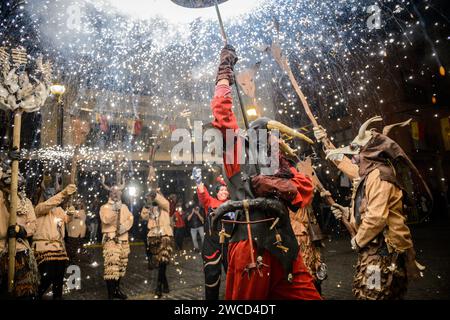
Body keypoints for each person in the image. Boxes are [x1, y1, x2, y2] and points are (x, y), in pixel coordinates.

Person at [209, 45, 321, 300]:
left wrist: (277, 183)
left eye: (272, 137)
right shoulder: (233, 150)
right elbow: (221, 110)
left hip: (285, 245)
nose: (271, 140)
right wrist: (225, 72)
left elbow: (305, 190)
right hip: (251, 246)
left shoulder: (275, 161)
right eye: (266, 136)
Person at [313, 117, 428, 299]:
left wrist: (357, 240)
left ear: (368, 153)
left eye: (357, 153)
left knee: (373, 294)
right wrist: (348, 212)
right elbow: (347, 167)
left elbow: (376, 217)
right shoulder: (369, 173)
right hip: (374, 251)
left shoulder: (380, 176)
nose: (354, 158)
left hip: (383, 252)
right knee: (373, 293)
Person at [0, 155, 39, 299]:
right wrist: (7, 162)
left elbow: (33, 224)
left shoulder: (26, 202)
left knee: (24, 291)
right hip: (1, 251)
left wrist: (22, 230)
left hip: (21, 252)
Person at [192, 168, 231, 300]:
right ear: (216, 192)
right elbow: (203, 195)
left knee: (233, 277)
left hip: (229, 246)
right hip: (211, 246)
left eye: (226, 190)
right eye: (221, 190)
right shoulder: (210, 202)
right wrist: (199, 182)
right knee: (211, 278)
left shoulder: (233, 204)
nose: (224, 192)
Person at [33, 183, 77, 300]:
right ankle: (35, 295)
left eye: (53, 193)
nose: (51, 196)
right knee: (47, 277)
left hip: (59, 249)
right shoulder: (38, 208)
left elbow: (66, 220)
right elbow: (50, 203)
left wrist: (70, 213)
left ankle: (57, 297)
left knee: (58, 280)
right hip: (44, 248)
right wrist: (63, 193)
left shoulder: (58, 210)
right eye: (49, 193)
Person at [100, 185, 134, 300]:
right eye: (113, 192)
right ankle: (110, 295)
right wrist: (115, 208)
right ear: (109, 194)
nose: (115, 194)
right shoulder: (104, 207)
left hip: (123, 240)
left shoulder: (124, 206)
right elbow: (106, 219)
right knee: (111, 268)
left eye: (117, 192)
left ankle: (116, 290)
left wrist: (124, 227)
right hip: (111, 240)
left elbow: (130, 218)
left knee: (120, 268)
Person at [140, 189, 173, 298]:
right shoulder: (150, 208)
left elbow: (165, 202)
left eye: (154, 196)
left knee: (163, 259)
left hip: (164, 235)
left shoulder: (165, 206)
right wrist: (148, 204)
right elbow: (143, 216)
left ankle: (158, 286)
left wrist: (157, 195)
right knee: (158, 262)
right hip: (153, 235)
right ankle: (165, 283)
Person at [65, 198, 88, 264]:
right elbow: (68, 219)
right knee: (72, 248)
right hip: (73, 233)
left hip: (81, 233)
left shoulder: (83, 211)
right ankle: (71, 261)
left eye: (81, 202)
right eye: (78, 202)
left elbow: (83, 218)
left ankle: (78, 260)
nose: (79, 203)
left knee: (79, 247)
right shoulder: (71, 211)